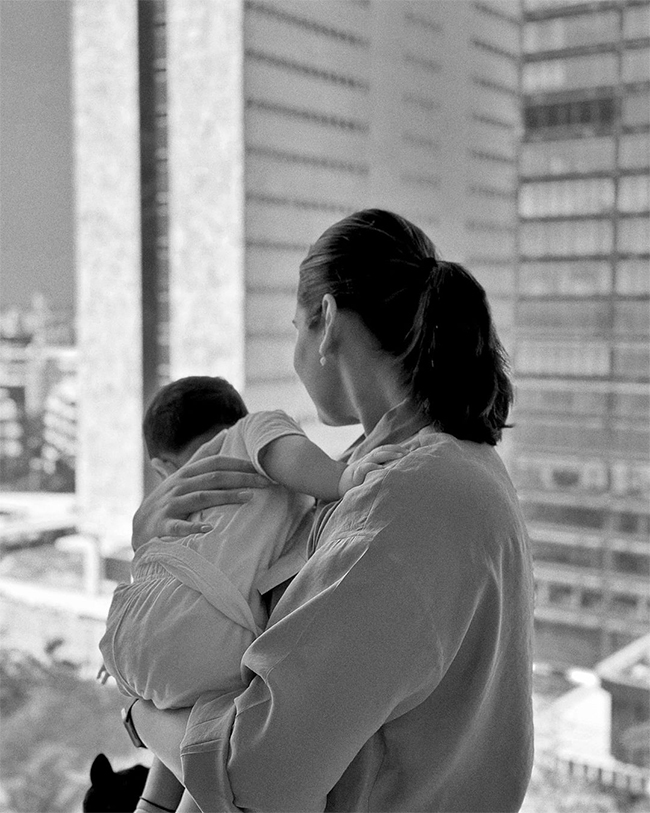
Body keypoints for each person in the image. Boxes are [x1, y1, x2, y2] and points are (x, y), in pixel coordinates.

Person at [119, 209, 535, 813]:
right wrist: (159, 550)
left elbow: (253, 777)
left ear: (328, 320)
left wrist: (139, 706)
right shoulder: (417, 471)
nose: (295, 352)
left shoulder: (407, 499)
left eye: (296, 328)